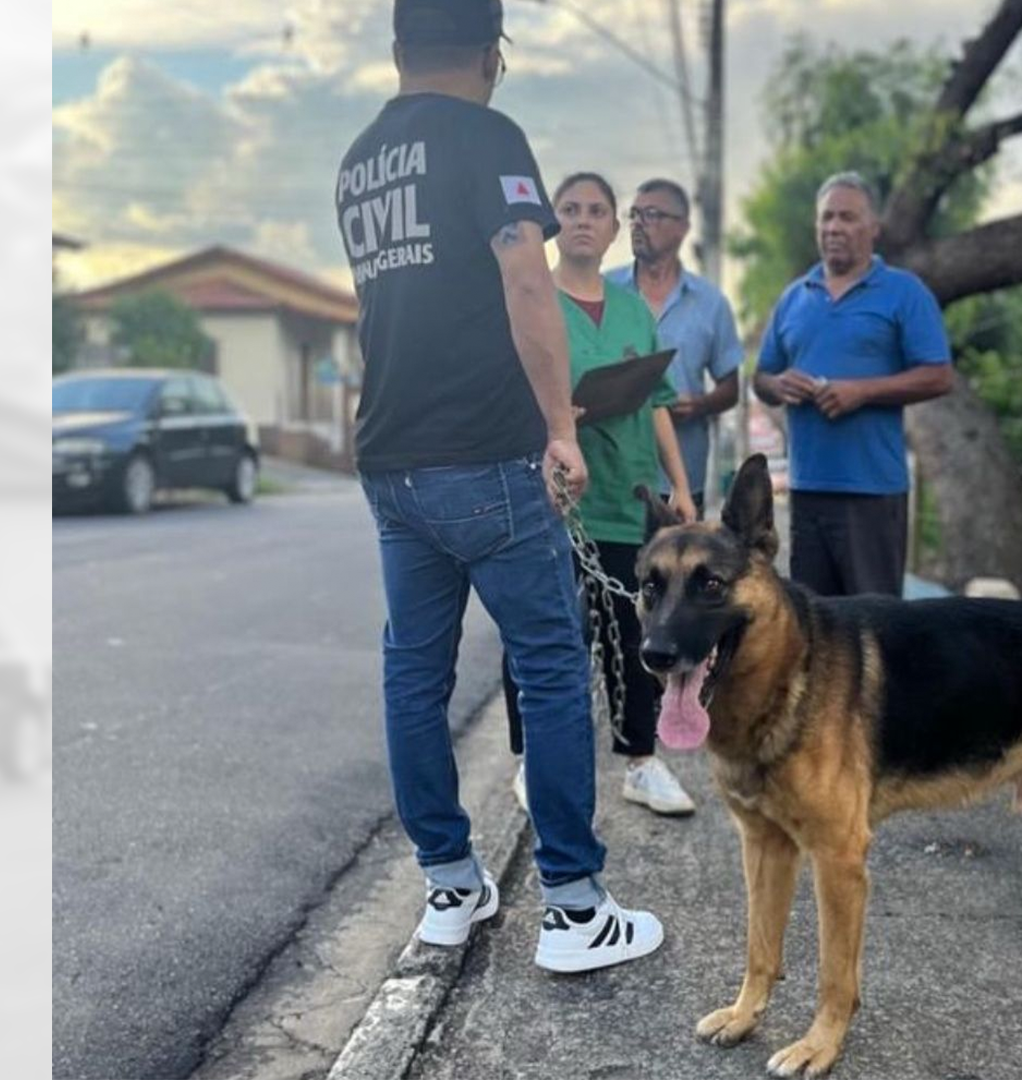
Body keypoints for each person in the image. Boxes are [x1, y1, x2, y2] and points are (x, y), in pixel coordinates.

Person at [333, 0, 661, 973]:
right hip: (485, 455)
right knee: (553, 666)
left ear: (397, 51)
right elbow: (528, 277)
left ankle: (449, 884)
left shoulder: (358, 161)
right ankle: (573, 908)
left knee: (413, 676)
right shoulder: (487, 134)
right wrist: (562, 427)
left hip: (390, 459)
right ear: (493, 55)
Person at [505, 172, 701, 818]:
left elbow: (659, 405)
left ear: (617, 227)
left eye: (597, 210)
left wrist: (679, 486)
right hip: (554, 501)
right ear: (554, 224)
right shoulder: (533, 303)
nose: (584, 219)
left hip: (626, 496)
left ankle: (641, 760)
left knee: (637, 632)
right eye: (570, 209)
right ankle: (532, 759)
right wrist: (562, 412)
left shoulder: (631, 312)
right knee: (545, 632)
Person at [752, 171, 954, 598]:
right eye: (826, 218)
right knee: (812, 623)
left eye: (847, 217)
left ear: (873, 228)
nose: (834, 228)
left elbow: (938, 375)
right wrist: (779, 385)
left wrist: (862, 392)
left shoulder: (904, 292)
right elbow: (761, 378)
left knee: (876, 623)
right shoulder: (794, 297)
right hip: (806, 489)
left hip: (873, 491)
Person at [605, 178, 743, 519]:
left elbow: (731, 388)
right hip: (611, 474)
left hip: (681, 479)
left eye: (650, 214)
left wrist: (699, 405)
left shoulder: (710, 302)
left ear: (682, 228)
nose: (637, 223)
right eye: (634, 214)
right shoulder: (603, 290)